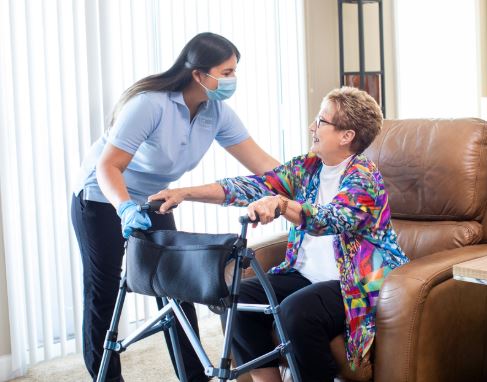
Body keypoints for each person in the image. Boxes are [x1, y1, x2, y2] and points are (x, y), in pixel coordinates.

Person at [149, 86, 410, 381]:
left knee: (295, 311)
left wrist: (283, 204)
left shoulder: (364, 178)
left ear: (346, 136)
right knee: (233, 297)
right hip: (303, 274)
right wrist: (185, 193)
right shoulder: (309, 167)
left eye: (322, 121)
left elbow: (330, 219)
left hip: (353, 282)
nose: (313, 126)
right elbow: (252, 186)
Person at [70, 32, 279, 382]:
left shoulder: (217, 113)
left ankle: (193, 376)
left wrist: (307, 183)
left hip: (154, 201)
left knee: (176, 286)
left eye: (234, 71)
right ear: (198, 74)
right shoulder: (151, 104)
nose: (233, 79)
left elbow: (266, 166)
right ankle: (105, 377)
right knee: (104, 291)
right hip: (103, 198)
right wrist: (123, 207)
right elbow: (107, 167)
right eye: (226, 72)